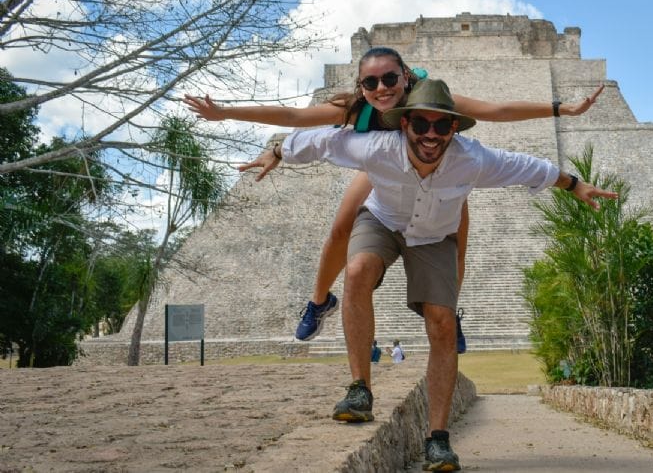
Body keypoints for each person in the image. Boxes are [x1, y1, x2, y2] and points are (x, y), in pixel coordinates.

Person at [270, 78, 617, 471]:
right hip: (383, 220)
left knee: (443, 324)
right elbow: (323, 141)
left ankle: (438, 439)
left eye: (441, 126)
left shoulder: (473, 159)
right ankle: (359, 390)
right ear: (405, 125)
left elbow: (526, 166)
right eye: (421, 125)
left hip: (434, 236)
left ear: (455, 128)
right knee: (357, 270)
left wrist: (574, 185)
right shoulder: (377, 147)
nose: (430, 135)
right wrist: (278, 151)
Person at [185, 47, 604, 344]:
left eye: (390, 79)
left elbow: (495, 110)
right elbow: (296, 118)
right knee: (340, 229)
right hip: (381, 166)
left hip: (437, 171)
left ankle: (449, 313)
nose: (382, 88)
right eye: (371, 82)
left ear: (406, 77)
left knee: (455, 235)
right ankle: (318, 301)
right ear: (361, 85)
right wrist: (228, 114)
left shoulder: (432, 102)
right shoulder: (357, 109)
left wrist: (558, 108)